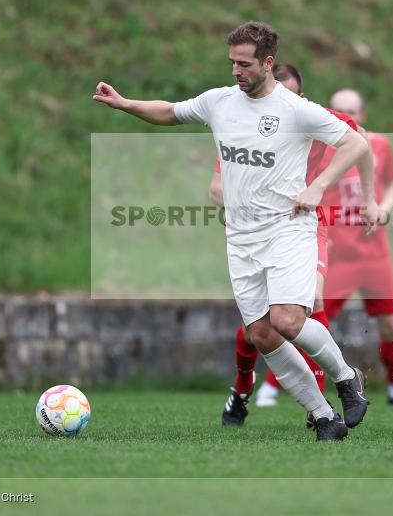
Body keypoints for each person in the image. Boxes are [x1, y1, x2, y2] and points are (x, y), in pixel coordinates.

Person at [93, 22, 377, 441]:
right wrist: (124, 104)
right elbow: (170, 112)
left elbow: (356, 143)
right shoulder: (219, 102)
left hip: (288, 230)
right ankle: (323, 417)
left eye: (244, 64)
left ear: (268, 62)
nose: (235, 71)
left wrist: (318, 186)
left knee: (288, 320)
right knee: (260, 334)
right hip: (242, 237)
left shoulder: (295, 109)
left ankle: (347, 377)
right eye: (232, 63)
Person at [209, 63, 377, 427]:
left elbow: (360, 141)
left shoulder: (311, 117)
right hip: (252, 234)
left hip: (303, 225)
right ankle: (243, 389)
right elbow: (216, 188)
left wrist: (370, 199)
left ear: (300, 97)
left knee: (308, 306)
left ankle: (329, 399)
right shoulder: (243, 131)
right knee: (258, 329)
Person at [322, 88, 393, 409]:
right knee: (313, 322)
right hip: (338, 252)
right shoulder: (320, 146)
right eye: (338, 110)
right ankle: (276, 388)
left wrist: (384, 209)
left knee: (391, 324)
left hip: (375, 252)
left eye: (351, 111)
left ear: (362, 114)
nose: (345, 116)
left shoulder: (379, 144)